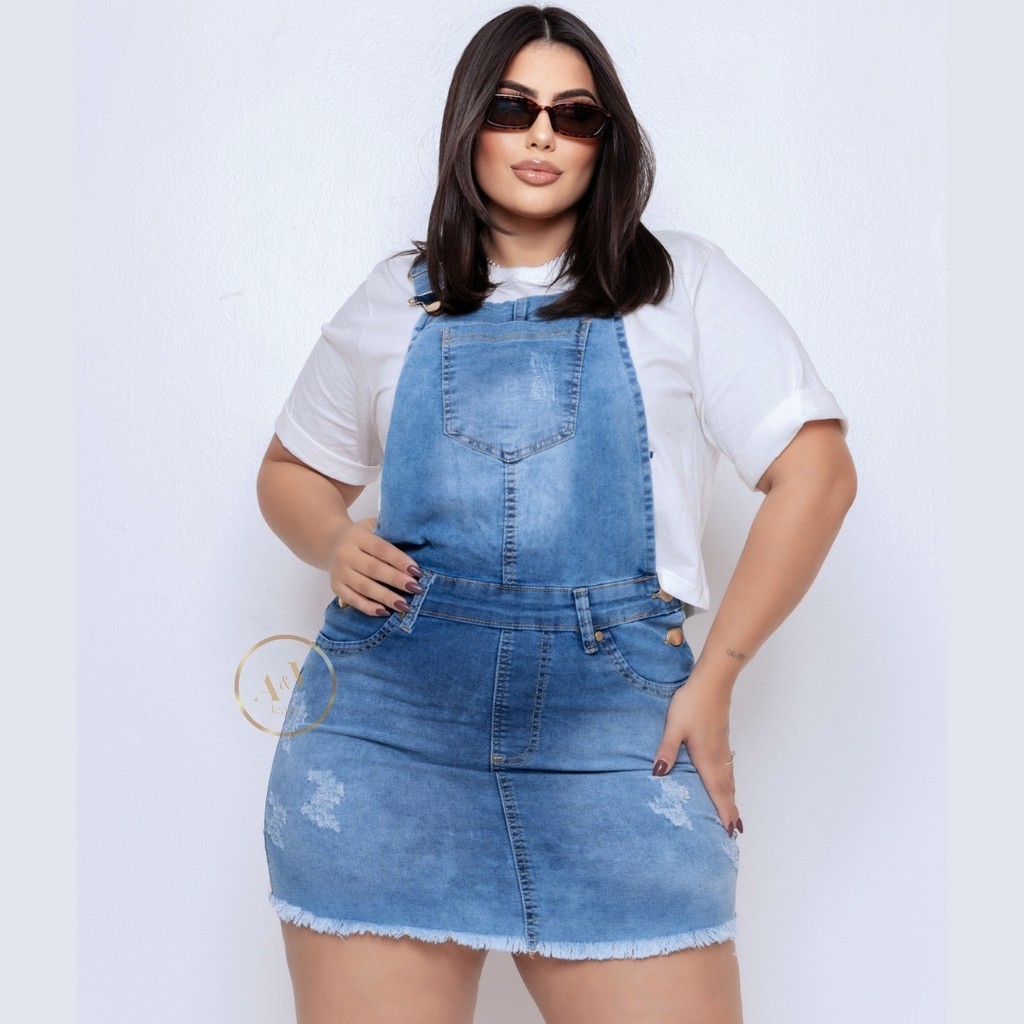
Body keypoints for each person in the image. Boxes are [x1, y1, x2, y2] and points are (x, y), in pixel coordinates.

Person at [255, 5, 856, 1022]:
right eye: (512, 109)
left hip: (619, 736)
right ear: (469, 126)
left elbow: (818, 473)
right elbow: (288, 471)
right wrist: (333, 537)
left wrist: (716, 676)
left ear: (604, 141)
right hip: (388, 729)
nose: (542, 135)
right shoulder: (397, 298)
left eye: (574, 115)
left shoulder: (678, 285)